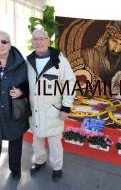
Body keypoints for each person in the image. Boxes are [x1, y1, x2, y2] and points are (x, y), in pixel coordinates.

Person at [26, 29, 76, 182]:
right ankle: (40, 161)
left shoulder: (59, 60)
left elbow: (69, 82)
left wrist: (66, 107)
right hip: (35, 110)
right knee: (37, 140)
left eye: (42, 38)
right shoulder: (28, 61)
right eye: (36, 39)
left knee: (55, 142)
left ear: (48, 41)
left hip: (53, 109)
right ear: (32, 42)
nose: (39, 42)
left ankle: (57, 167)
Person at [0, 30, 29, 180]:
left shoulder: (21, 63)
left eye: (4, 41)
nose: (1, 44)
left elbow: (30, 85)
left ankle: (15, 169)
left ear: (10, 45)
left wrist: (21, 91)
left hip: (14, 110)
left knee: (15, 141)